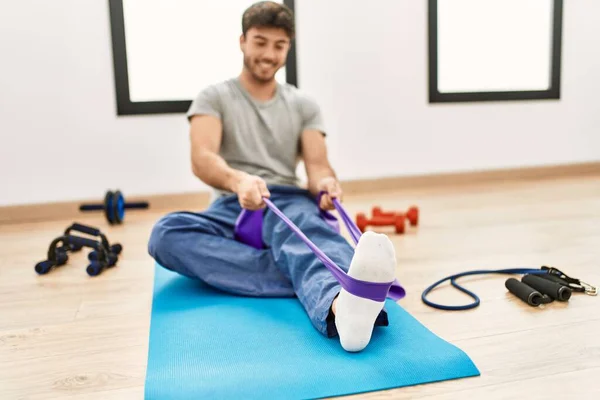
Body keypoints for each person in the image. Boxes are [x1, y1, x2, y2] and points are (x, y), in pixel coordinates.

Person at [148, 1, 397, 352]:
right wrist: (239, 182)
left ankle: (343, 308)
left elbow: (318, 166)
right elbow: (201, 158)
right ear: (242, 41)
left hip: (286, 200)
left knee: (304, 232)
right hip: (231, 203)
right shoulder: (214, 96)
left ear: (288, 48)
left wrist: (326, 184)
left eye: (279, 45)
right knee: (165, 235)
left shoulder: (304, 104)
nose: (269, 53)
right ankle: (317, 275)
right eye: (260, 42)